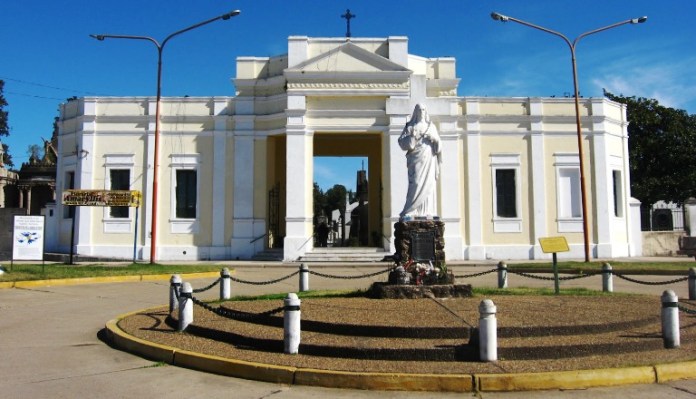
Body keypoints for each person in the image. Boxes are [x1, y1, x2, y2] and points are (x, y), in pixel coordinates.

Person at [398, 103, 442, 220]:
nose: (421, 112)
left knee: (429, 184)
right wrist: (411, 137)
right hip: (416, 159)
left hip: (429, 159)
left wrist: (433, 138)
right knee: (416, 182)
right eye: (419, 110)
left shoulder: (431, 127)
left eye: (423, 109)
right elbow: (402, 143)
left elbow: (439, 145)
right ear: (415, 112)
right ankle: (411, 210)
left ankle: (427, 211)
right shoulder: (410, 126)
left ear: (425, 111)